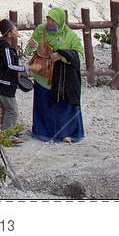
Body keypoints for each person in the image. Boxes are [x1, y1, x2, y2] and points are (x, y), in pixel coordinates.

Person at [24, 7, 85, 143]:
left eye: (53, 20)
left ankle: (68, 133)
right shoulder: (41, 29)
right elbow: (30, 50)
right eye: (48, 19)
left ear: (60, 21)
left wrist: (62, 55)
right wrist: (32, 46)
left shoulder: (70, 36)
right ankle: (43, 132)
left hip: (63, 77)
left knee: (65, 105)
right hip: (43, 75)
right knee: (44, 105)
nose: (50, 22)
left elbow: (79, 54)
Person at [0, 19, 28, 143]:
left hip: (0, 82)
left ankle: (2, 131)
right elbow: (10, 65)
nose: (17, 31)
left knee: (5, 109)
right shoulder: (5, 48)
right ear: (9, 34)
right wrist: (26, 68)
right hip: (5, 83)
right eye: (15, 30)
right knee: (12, 110)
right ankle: (6, 135)